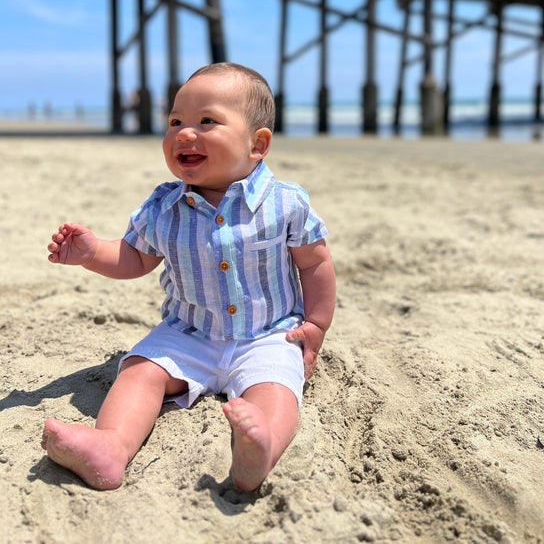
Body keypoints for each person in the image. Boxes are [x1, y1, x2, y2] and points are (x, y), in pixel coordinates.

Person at [42, 62, 336, 492]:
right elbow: (133, 259)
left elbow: (314, 263)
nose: (184, 133)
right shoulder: (163, 207)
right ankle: (112, 445)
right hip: (188, 332)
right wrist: (92, 253)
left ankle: (261, 449)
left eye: (207, 121)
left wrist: (316, 323)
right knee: (140, 370)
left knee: (275, 388)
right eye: (175, 121)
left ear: (257, 144)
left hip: (267, 334)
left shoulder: (284, 204)